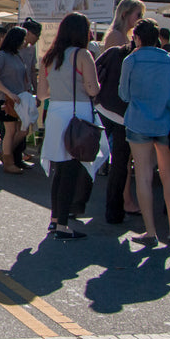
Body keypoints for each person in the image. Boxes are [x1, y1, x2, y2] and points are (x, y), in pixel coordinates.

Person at [118, 19, 170, 247]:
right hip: (166, 123)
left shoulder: (131, 60)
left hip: (139, 122)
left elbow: (124, 95)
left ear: (137, 38)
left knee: (144, 176)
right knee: (169, 175)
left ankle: (150, 232)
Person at [40, 13, 103, 240]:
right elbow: (93, 89)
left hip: (55, 112)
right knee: (71, 170)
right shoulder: (83, 55)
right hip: (77, 114)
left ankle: (55, 219)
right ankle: (63, 224)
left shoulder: (49, 57)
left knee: (59, 168)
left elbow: (41, 93)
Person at [95, 36, 137, 224]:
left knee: (90, 155)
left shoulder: (114, 52)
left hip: (103, 107)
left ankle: (75, 204)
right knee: (120, 164)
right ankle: (114, 211)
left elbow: (94, 72)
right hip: (123, 115)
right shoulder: (138, 59)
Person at [0, 26, 32, 175]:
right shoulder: (1, 55)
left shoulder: (17, 55)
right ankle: (8, 162)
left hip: (19, 99)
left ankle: (7, 155)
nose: (25, 42)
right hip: (7, 99)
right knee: (11, 130)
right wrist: (9, 93)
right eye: (23, 39)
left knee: (23, 130)